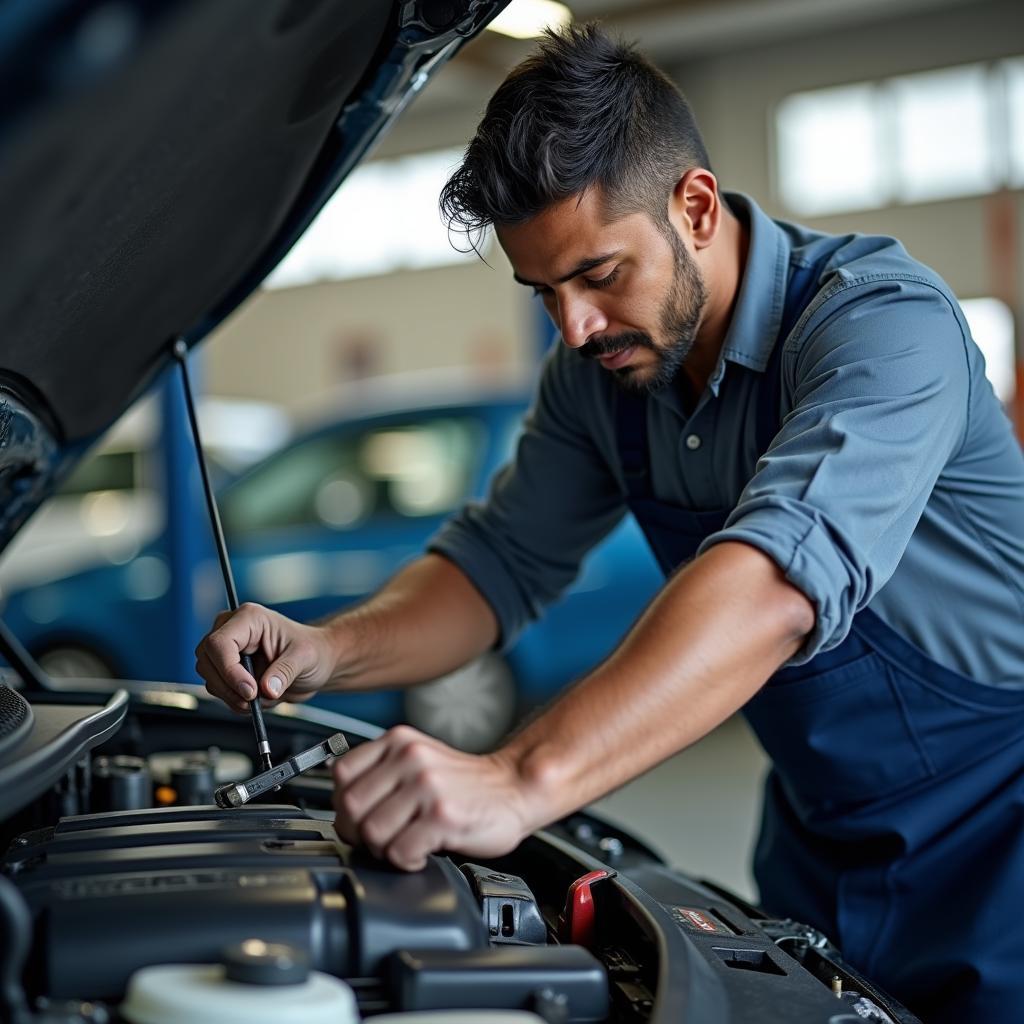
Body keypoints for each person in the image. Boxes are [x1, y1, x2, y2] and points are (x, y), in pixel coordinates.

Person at [195, 24, 1024, 1023]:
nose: (573, 328)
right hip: (824, 838)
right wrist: (332, 649)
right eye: (542, 292)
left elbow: (771, 585)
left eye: (597, 274)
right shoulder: (604, 381)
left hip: (999, 841)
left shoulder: (884, 330)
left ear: (697, 207)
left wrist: (516, 777)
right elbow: (498, 562)